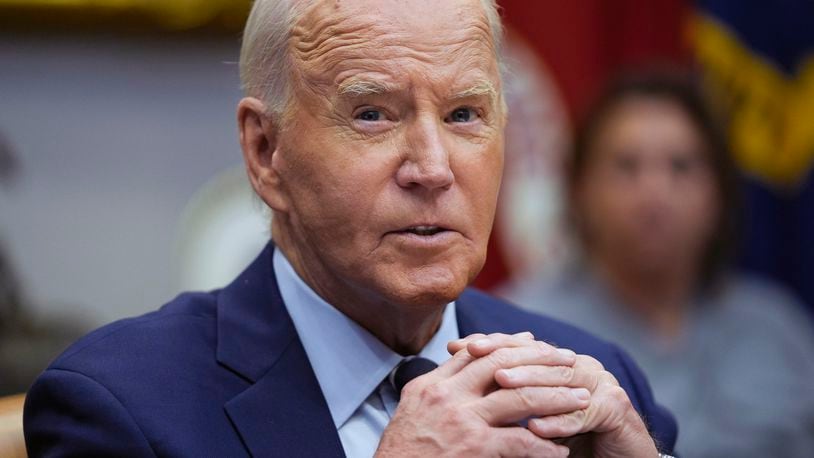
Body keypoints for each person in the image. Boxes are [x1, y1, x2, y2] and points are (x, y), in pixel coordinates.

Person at [23, 1, 678, 456]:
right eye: (372, 114)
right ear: (265, 151)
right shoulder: (125, 410)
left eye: (463, 114)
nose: (432, 168)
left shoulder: (590, 378)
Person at [507, 69, 814, 457]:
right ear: (579, 189)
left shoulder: (780, 330)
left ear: (720, 192)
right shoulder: (520, 330)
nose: (654, 195)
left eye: (681, 166)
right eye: (627, 166)